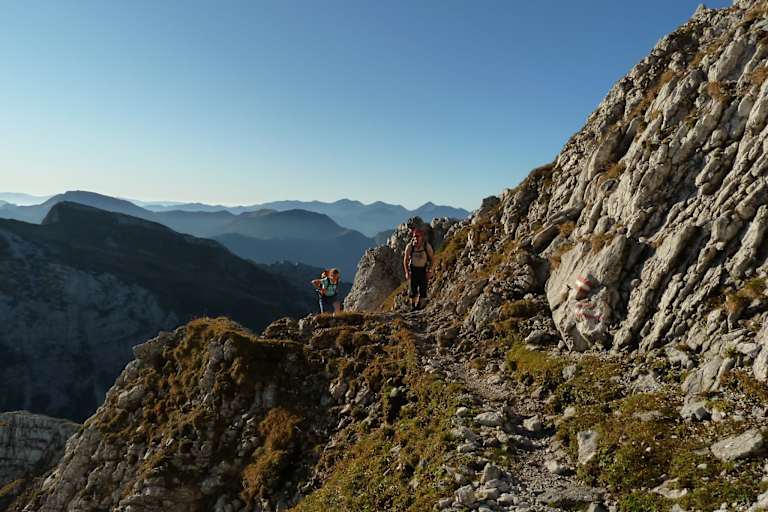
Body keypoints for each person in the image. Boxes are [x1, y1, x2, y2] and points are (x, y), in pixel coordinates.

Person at [403, 228, 434, 311]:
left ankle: (419, 306)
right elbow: (405, 260)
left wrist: (430, 270)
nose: (416, 238)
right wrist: (407, 272)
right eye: (414, 236)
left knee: (423, 289)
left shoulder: (426, 246)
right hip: (413, 270)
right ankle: (413, 306)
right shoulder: (410, 246)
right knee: (412, 290)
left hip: (423, 270)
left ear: (422, 237)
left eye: (417, 236)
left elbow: (432, 259)